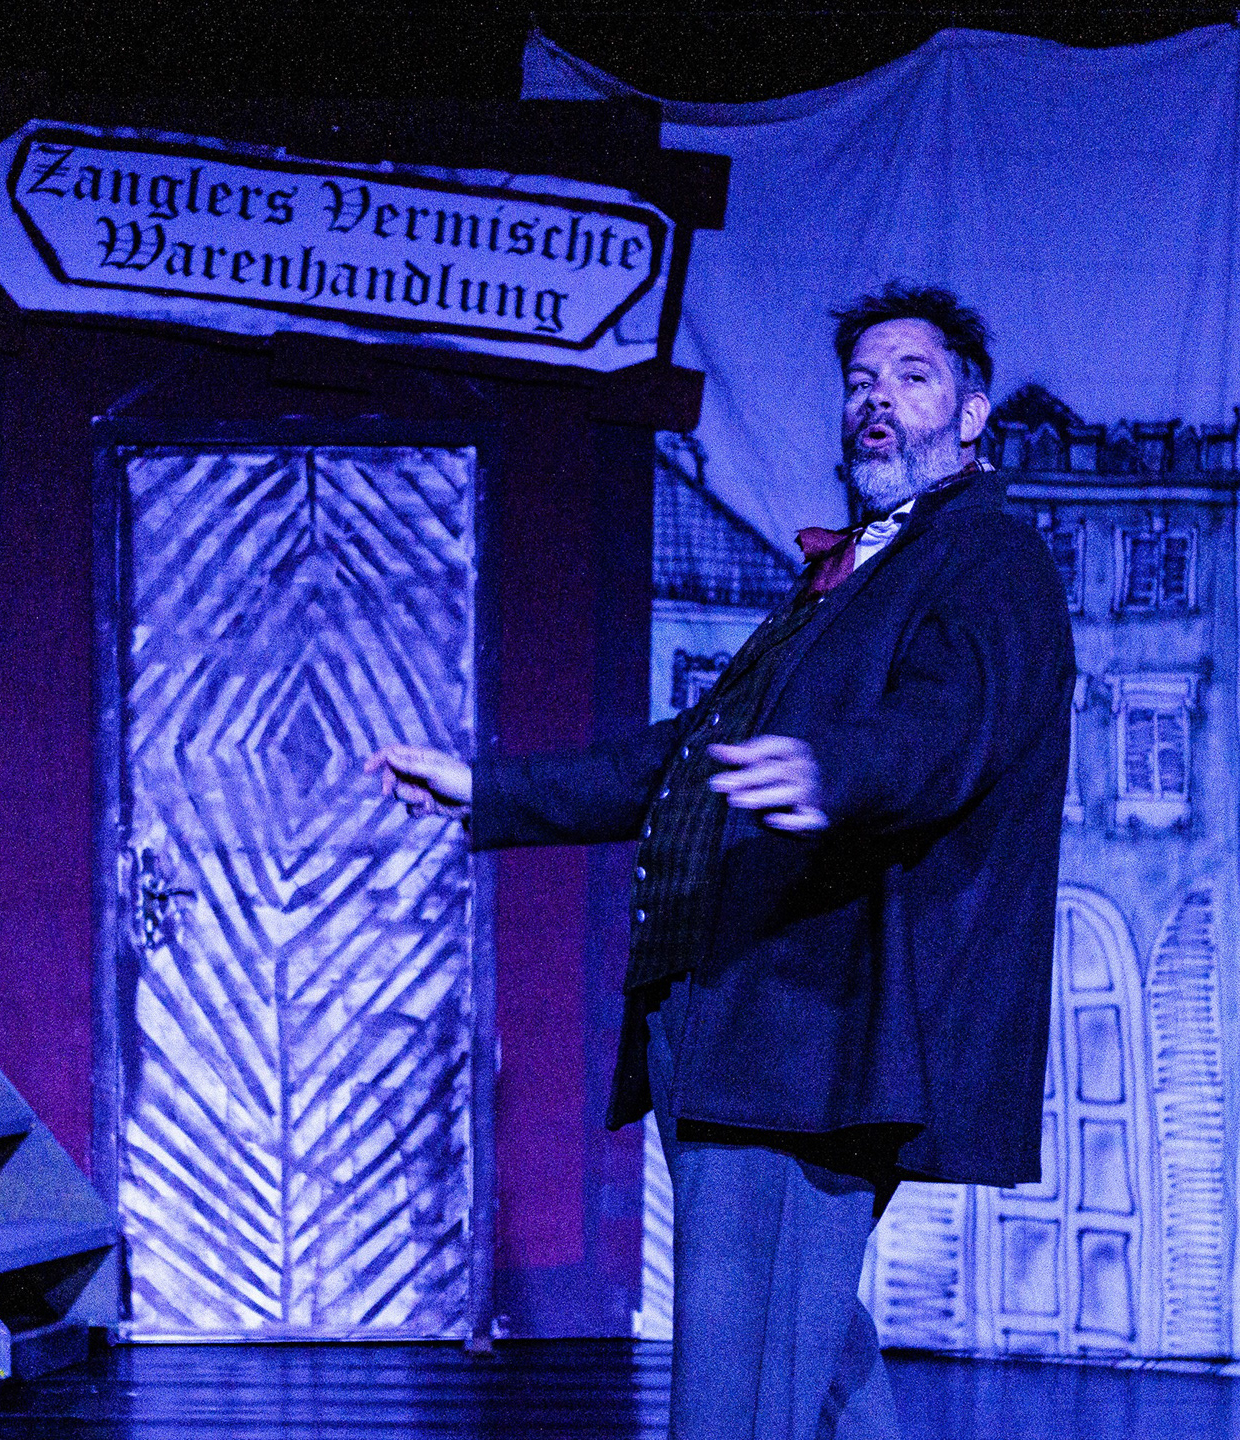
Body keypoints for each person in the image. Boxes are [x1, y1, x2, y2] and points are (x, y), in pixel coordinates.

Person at [368, 283, 1075, 1440]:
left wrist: (832, 771)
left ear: (971, 415)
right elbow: (684, 755)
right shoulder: (851, 575)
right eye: (860, 382)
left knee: (739, 1382)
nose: (877, 400)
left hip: (815, 1028)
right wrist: (489, 790)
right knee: (807, 1349)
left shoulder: (987, 557)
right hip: (739, 1013)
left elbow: (945, 727)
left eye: (912, 378)